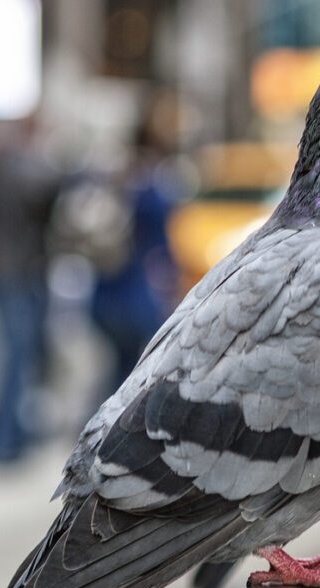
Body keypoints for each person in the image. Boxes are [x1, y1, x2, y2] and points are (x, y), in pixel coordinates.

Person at [0, 119, 61, 462]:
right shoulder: (25, 171)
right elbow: (49, 192)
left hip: (0, 271)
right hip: (19, 273)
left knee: (11, 356)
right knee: (16, 358)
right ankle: (5, 441)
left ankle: (8, 435)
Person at [89, 91, 182, 393]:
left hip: (107, 288)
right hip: (135, 292)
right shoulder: (154, 180)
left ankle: (96, 430)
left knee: (119, 370)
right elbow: (160, 241)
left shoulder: (119, 173)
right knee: (132, 376)